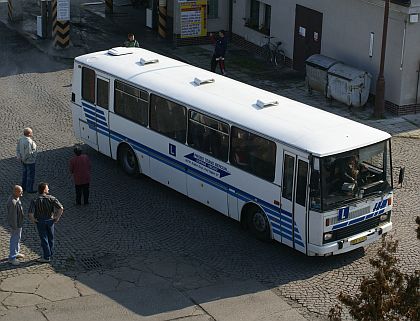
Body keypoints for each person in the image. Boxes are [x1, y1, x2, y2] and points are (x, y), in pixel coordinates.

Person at [28, 182, 64, 263]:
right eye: (47, 188)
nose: (49, 189)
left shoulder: (35, 200)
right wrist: (57, 217)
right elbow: (61, 208)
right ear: (44, 190)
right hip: (50, 221)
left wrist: (34, 220)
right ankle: (50, 254)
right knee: (51, 238)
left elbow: (30, 213)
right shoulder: (52, 198)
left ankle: (46, 257)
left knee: (44, 239)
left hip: (40, 221)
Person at [7, 185, 25, 266]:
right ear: (15, 192)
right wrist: (15, 226)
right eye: (20, 191)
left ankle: (16, 252)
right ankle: (12, 258)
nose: (22, 192)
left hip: (18, 223)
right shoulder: (13, 202)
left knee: (17, 239)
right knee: (14, 240)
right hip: (15, 225)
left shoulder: (16, 198)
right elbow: (12, 215)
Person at [16, 127, 37, 193]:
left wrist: (19, 157)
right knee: (30, 175)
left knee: (24, 174)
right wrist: (24, 159)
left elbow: (18, 149)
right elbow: (28, 153)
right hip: (29, 161)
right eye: (31, 132)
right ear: (29, 134)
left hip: (23, 160)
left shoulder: (21, 139)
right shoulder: (28, 141)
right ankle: (29, 189)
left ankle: (23, 187)